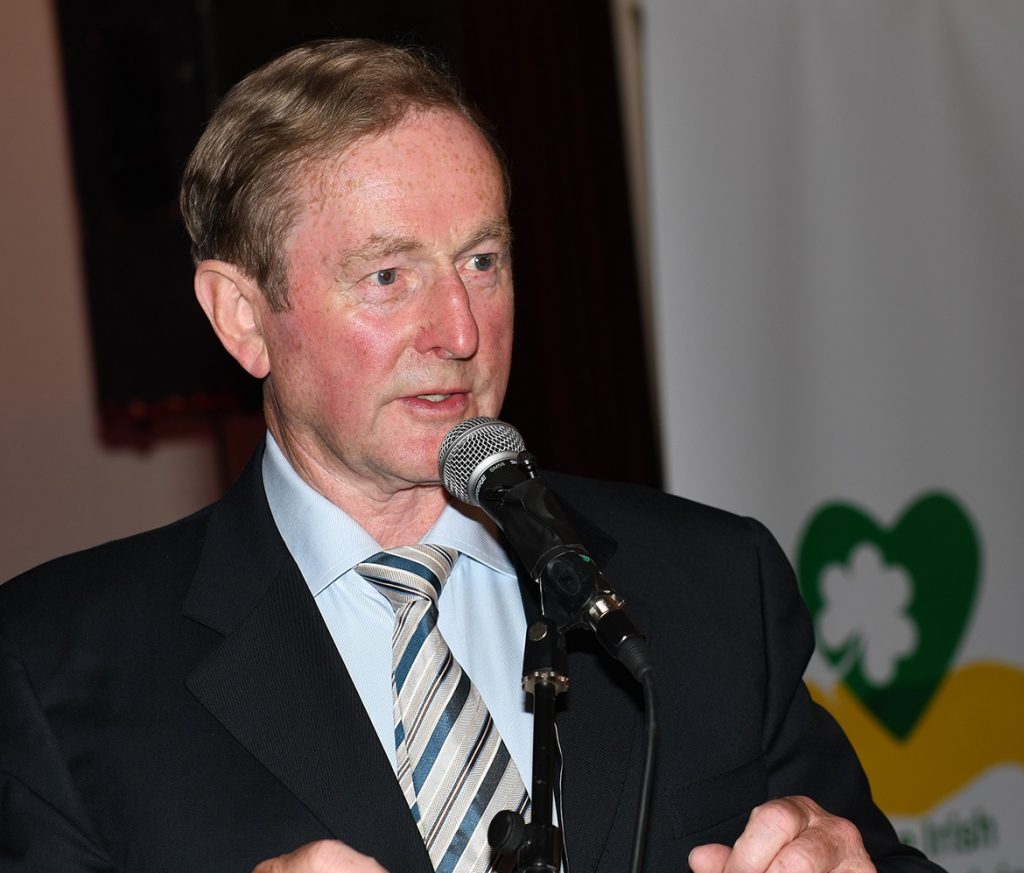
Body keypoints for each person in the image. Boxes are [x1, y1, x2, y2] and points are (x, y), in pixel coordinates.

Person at [0, 39, 942, 873]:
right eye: (387, 275)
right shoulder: (58, 668)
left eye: (482, 261)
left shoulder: (711, 587)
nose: (459, 328)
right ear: (245, 318)